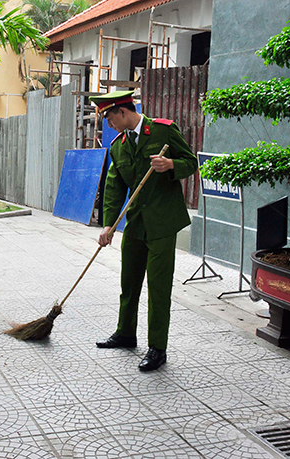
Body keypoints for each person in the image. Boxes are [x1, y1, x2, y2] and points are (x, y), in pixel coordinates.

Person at [90, 90, 198, 372]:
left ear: (123, 112)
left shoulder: (163, 131)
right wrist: (109, 225)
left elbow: (192, 162)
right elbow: (114, 187)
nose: (109, 124)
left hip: (163, 223)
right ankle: (125, 333)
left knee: (158, 288)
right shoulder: (118, 146)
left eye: (110, 117)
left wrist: (171, 164)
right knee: (129, 282)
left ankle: (157, 348)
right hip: (135, 224)